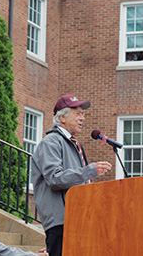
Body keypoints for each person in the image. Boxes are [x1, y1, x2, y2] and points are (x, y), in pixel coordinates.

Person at [31, 94, 112, 256]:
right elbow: (55, 178)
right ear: (62, 117)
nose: (82, 118)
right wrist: (90, 170)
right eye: (78, 114)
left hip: (77, 218)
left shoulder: (75, 145)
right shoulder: (51, 142)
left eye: (83, 114)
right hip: (61, 222)